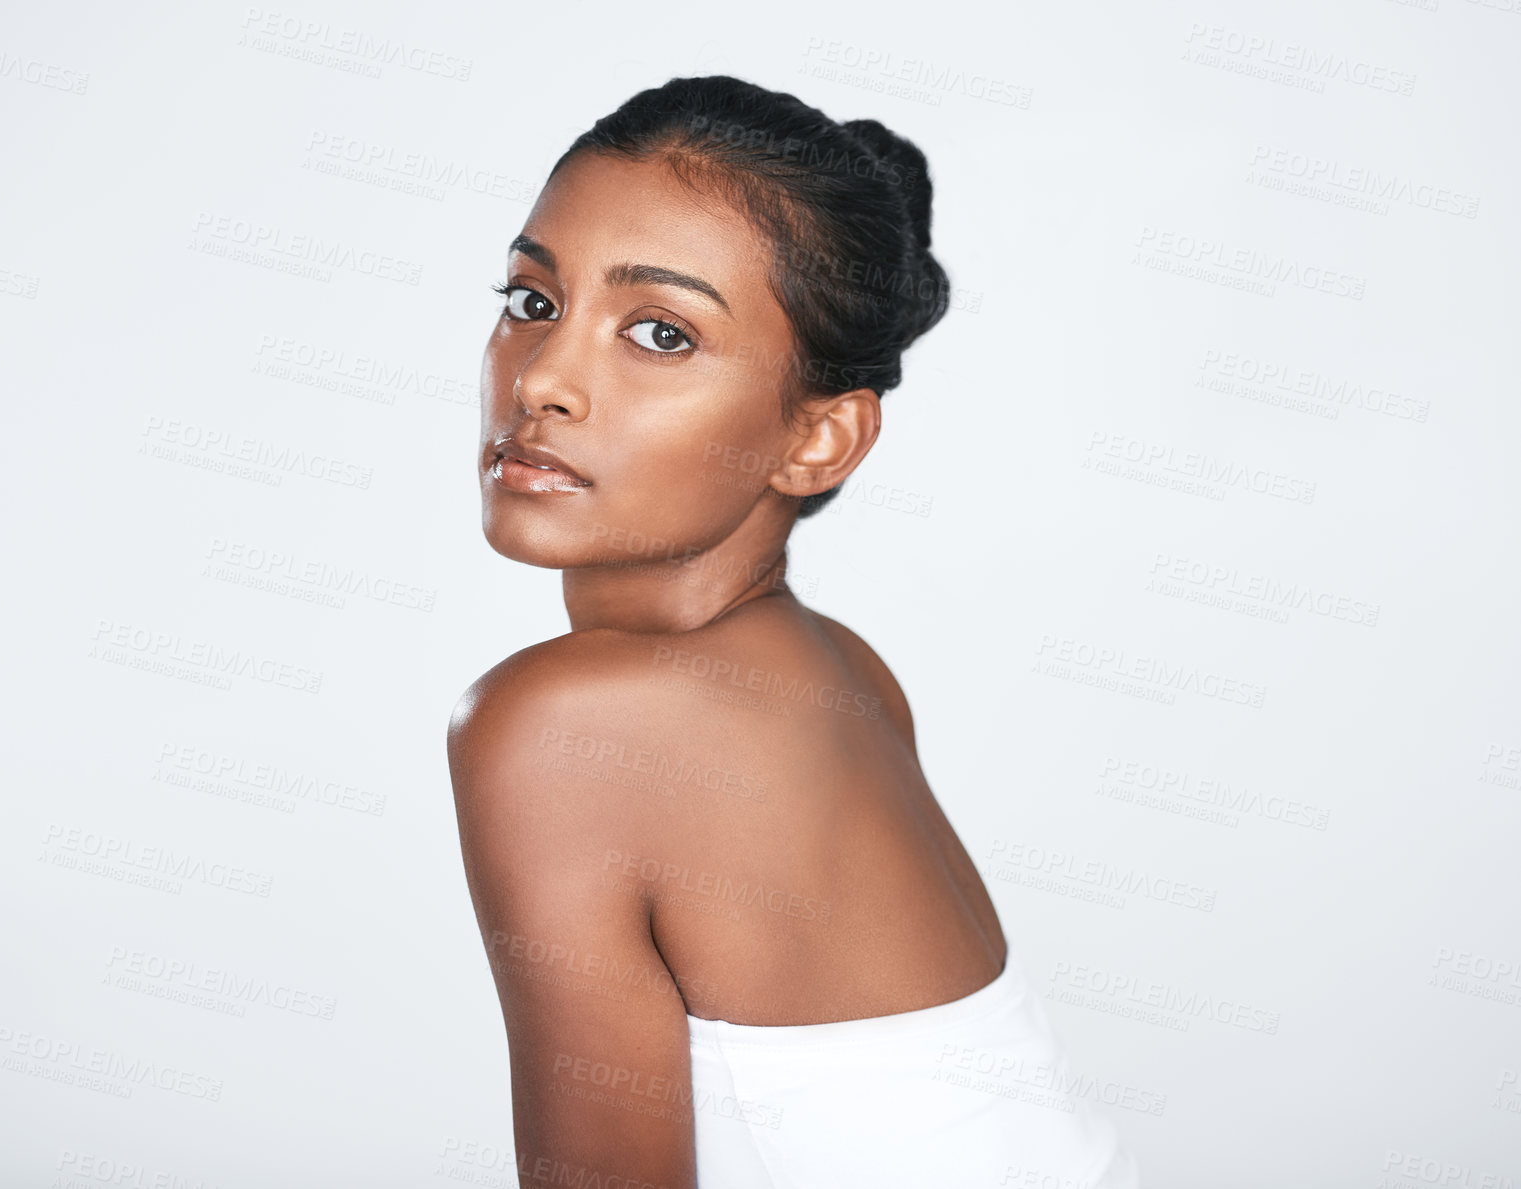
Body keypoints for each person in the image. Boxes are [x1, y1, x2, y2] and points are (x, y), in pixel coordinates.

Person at [447, 74, 1141, 1189]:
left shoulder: (554, 722)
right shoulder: (836, 668)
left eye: (660, 333)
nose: (546, 381)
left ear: (818, 441)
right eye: (533, 302)